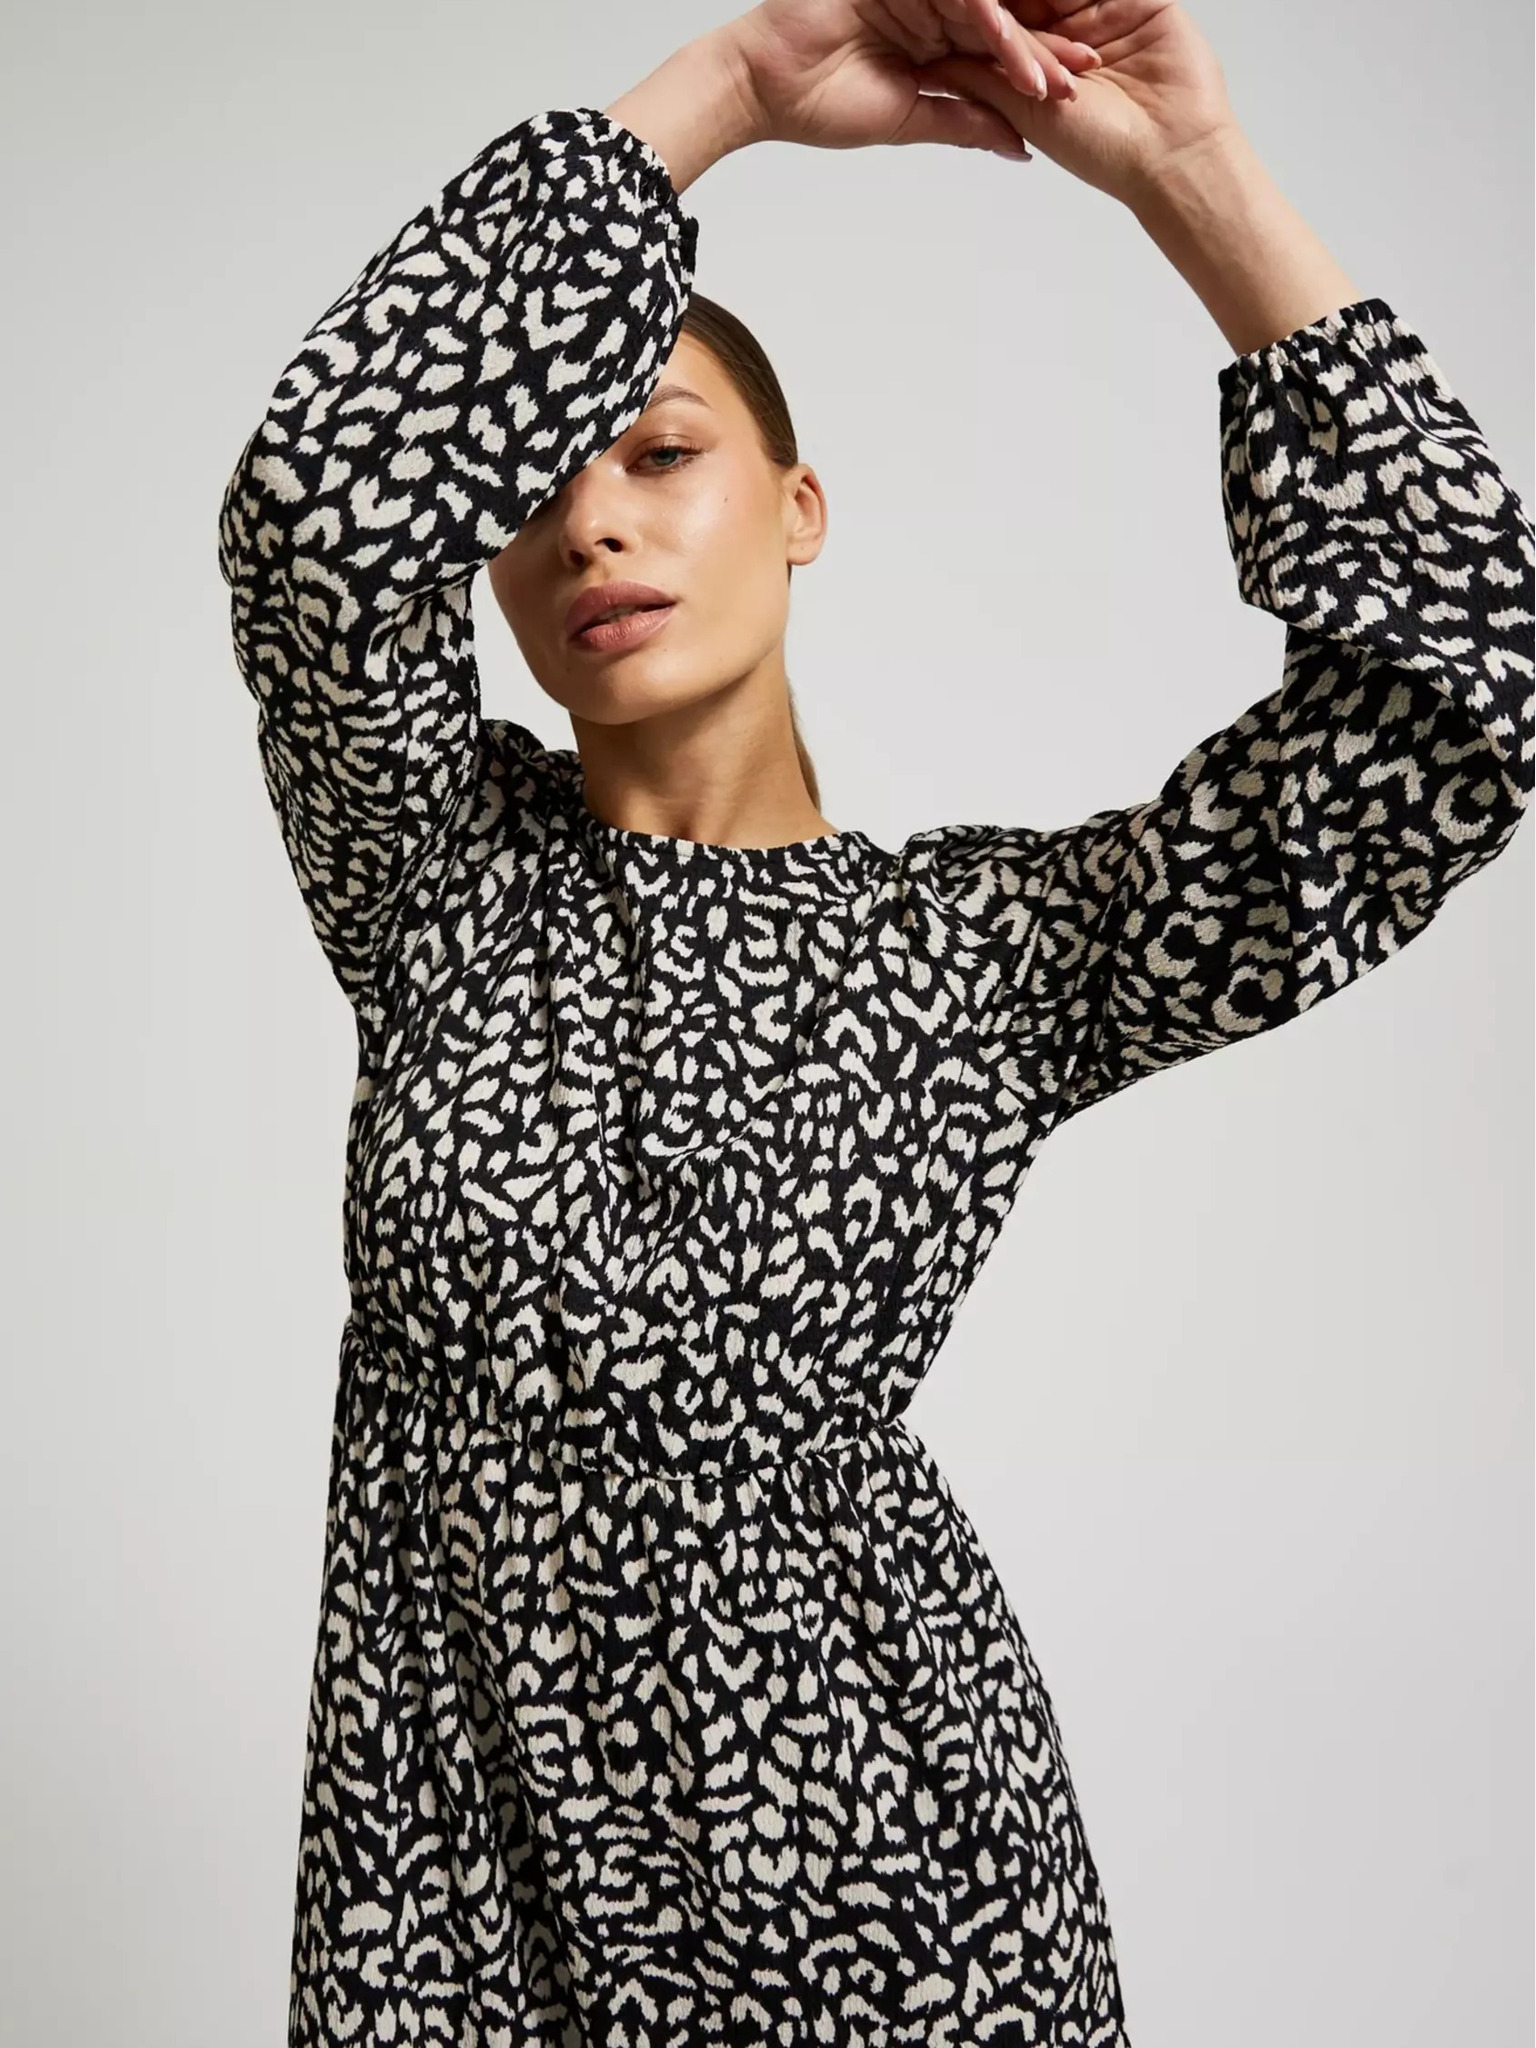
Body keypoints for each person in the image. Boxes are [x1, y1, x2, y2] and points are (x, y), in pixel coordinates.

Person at [216, 3, 1534, 2042]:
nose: (591, 524)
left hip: (898, 1909)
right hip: (464, 1919)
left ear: (801, 506)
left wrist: (1191, 178)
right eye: (532, 493)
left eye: (662, 452)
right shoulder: (438, 886)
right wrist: (735, 86)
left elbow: (1454, 705)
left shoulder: (983, 958)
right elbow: (317, 513)